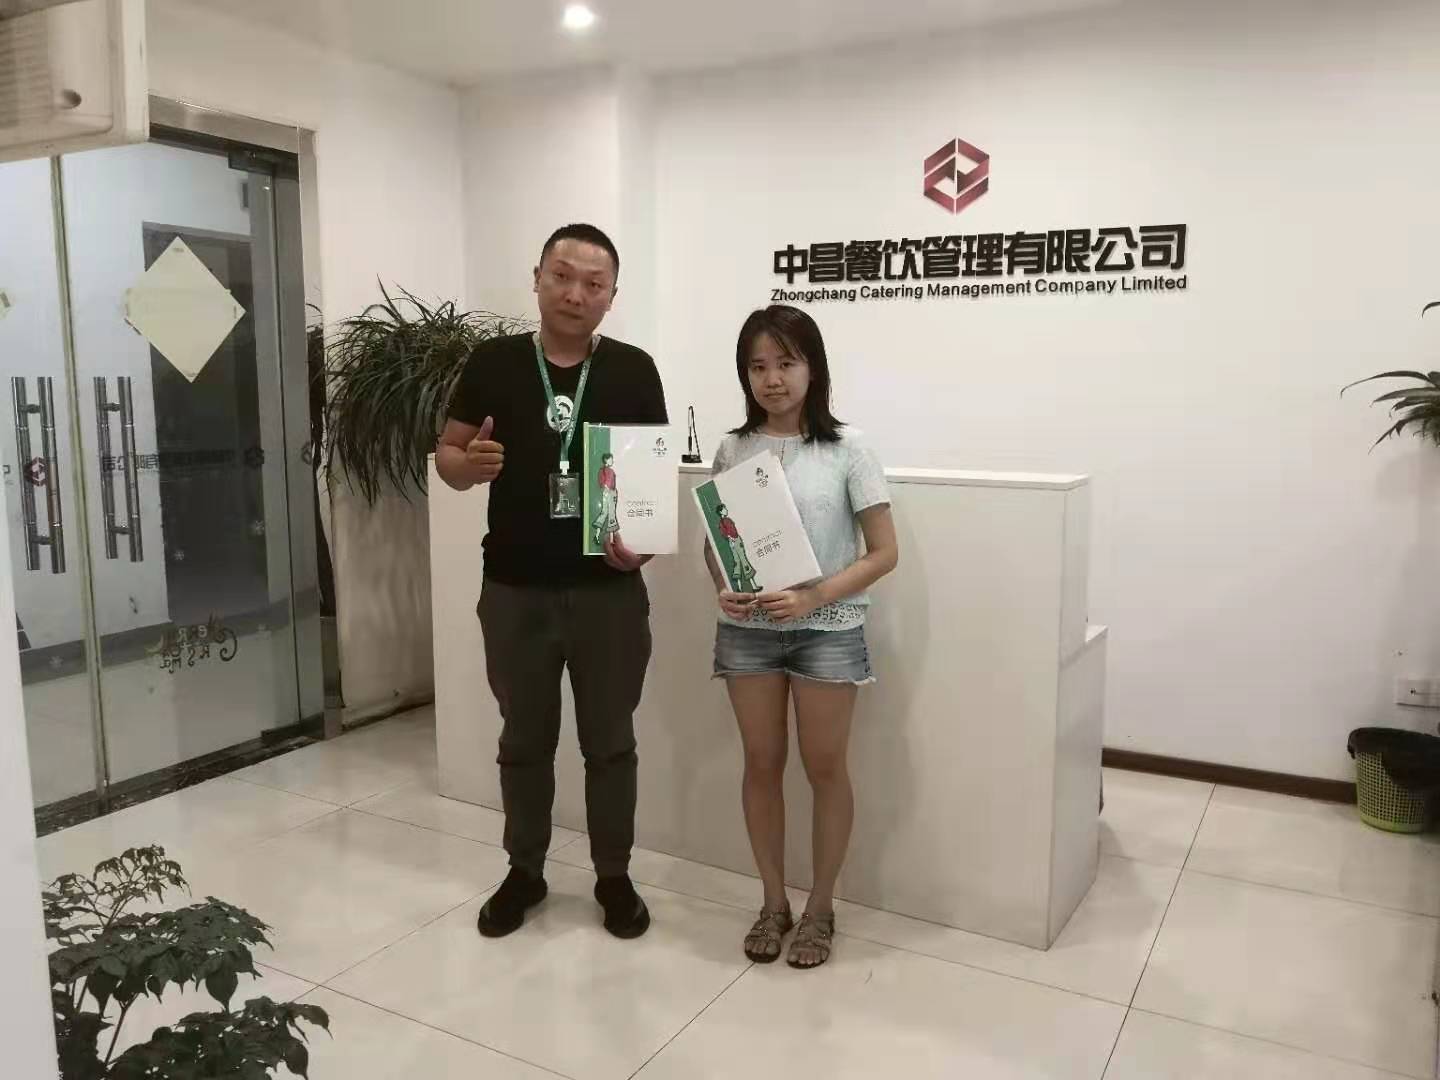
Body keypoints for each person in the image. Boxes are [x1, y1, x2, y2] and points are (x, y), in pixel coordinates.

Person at [437, 223, 666, 940]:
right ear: (536, 278)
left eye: (593, 284)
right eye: (562, 276)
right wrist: (465, 465)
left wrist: (642, 548)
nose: (575, 293)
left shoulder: (634, 370)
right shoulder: (493, 362)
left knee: (611, 744)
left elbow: (648, 486)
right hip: (514, 589)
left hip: (608, 595)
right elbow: (447, 455)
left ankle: (613, 877)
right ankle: (525, 871)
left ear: (612, 297)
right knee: (523, 741)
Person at [705, 305, 898, 970]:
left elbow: (885, 552)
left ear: (813, 368)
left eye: (786, 363)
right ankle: (772, 902)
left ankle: (820, 908)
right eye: (758, 366)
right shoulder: (733, 449)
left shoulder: (850, 449)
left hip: (827, 631)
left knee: (825, 769)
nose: (772, 379)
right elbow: (719, 544)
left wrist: (815, 596)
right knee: (760, 764)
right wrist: (723, 584)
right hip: (748, 631)